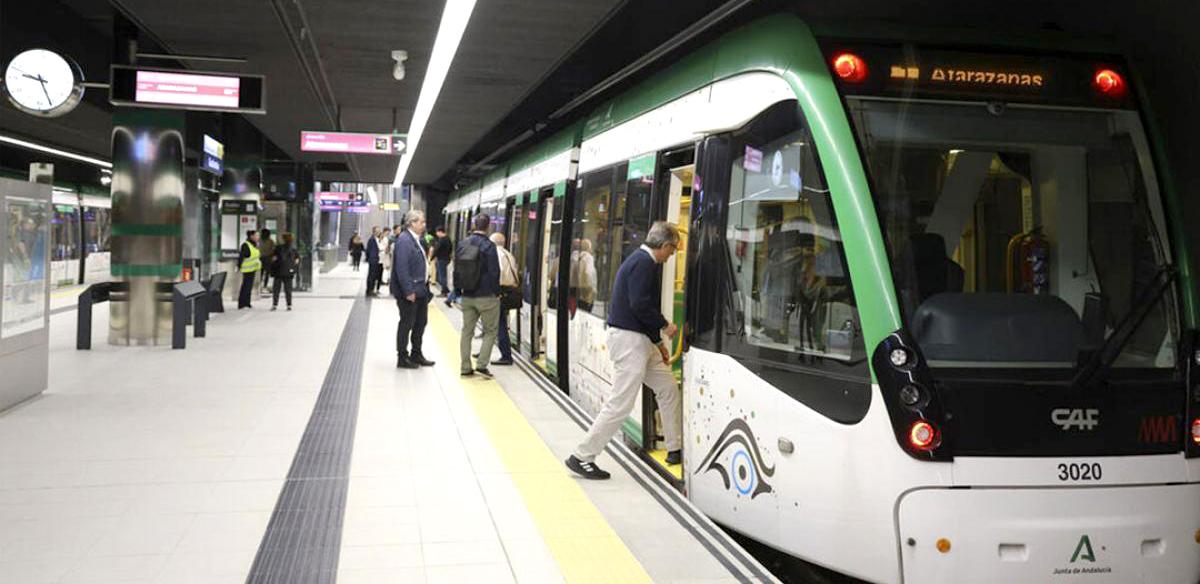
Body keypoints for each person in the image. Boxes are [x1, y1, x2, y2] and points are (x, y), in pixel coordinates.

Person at [565, 221, 683, 480]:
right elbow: (640, 304)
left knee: (667, 388)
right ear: (663, 245)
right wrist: (665, 327)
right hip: (630, 341)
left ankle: (674, 447)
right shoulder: (644, 263)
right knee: (620, 403)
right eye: (672, 250)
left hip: (640, 339)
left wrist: (658, 343)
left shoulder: (641, 261)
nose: (671, 255)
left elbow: (639, 308)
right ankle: (582, 456)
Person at [455, 214, 501, 378]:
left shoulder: (463, 243)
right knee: (490, 331)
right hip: (487, 296)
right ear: (488, 227)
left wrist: (457, 291)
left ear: (474, 225)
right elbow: (495, 272)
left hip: (467, 295)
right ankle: (481, 365)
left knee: (467, 331)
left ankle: (465, 367)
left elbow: (457, 269)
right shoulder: (489, 246)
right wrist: (497, 293)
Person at [391, 210, 436, 369]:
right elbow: (401, 268)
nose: (424, 225)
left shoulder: (417, 239)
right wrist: (408, 291)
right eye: (421, 222)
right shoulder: (404, 240)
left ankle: (416, 354)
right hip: (410, 292)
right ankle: (402, 357)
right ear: (412, 223)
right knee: (407, 323)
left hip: (421, 290)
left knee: (420, 323)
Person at [490, 232, 519, 366]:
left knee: (499, 324)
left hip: (499, 292)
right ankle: (488, 350)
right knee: (497, 323)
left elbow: (498, 273)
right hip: (508, 291)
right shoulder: (508, 254)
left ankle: (506, 355)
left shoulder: (496, 254)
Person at [271, 232, 300, 311]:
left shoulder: (278, 248)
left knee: (276, 289)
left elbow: (273, 259)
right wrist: (293, 267)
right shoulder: (294, 249)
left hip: (279, 271)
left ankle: (275, 305)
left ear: (283, 239)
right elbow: (297, 260)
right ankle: (289, 305)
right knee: (288, 289)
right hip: (288, 272)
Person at [237, 230, 262, 309]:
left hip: (252, 268)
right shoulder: (246, 245)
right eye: (256, 235)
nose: (258, 237)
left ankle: (247, 302)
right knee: (246, 286)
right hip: (247, 269)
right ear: (251, 236)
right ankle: (242, 303)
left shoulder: (254, 245)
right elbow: (241, 256)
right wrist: (238, 266)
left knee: (249, 286)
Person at [433, 227, 453, 297]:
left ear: (440, 232)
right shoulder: (448, 239)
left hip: (441, 259)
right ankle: (446, 290)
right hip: (447, 259)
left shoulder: (442, 240)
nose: (436, 234)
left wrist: (432, 257)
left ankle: (444, 291)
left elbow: (436, 249)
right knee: (444, 275)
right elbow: (450, 249)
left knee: (442, 276)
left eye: (437, 232)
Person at [365, 226, 383, 297]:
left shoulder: (377, 239)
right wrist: (373, 259)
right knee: (371, 276)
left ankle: (371, 290)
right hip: (373, 261)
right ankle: (369, 290)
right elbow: (370, 251)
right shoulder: (372, 240)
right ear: (374, 232)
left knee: (374, 276)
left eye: (379, 231)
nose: (379, 232)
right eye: (377, 231)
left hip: (375, 260)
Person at [258, 228, 275, 296]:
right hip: (263, 258)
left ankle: (264, 286)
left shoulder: (270, 241)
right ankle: (262, 286)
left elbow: (273, 249)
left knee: (265, 273)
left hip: (266, 258)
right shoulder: (269, 241)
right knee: (262, 273)